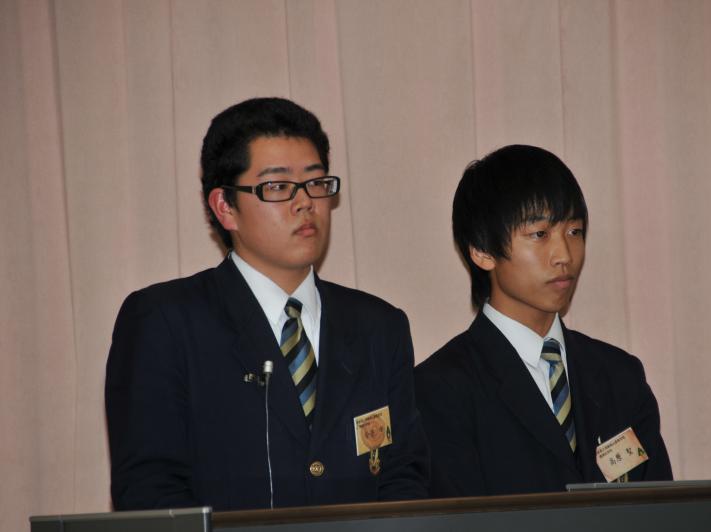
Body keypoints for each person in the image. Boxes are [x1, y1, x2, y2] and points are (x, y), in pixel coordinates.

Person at [106, 97, 428, 511]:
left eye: (316, 182)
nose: (305, 202)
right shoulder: (165, 321)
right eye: (277, 186)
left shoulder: (379, 327)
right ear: (225, 207)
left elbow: (404, 478)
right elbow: (151, 493)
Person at [414, 144, 671, 498]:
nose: (564, 255)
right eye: (539, 234)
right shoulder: (441, 389)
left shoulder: (619, 376)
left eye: (574, 231)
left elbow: (663, 511)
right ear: (482, 250)